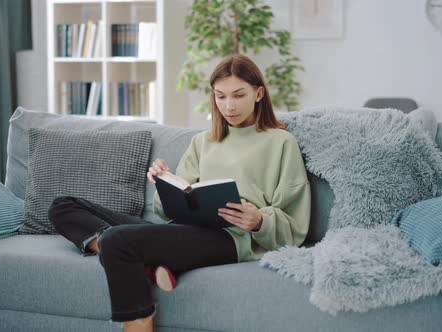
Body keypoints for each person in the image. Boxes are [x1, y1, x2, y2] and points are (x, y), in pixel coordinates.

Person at [48, 54, 311, 332]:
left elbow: (296, 225)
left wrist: (260, 221)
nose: (229, 106)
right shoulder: (203, 141)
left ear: (258, 94)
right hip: (185, 229)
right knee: (63, 206)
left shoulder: (281, 142)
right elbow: (168, 210)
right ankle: (147, 263)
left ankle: (137, 294)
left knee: (117, 240)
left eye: (238, 95)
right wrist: (164, 182)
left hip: (230, 239)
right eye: (220, 96)